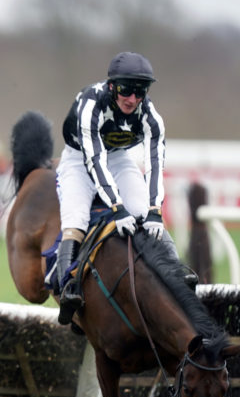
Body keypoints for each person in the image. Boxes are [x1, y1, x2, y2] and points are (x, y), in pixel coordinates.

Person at [55, 51, 196, 324]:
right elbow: (94, 161)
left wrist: (156, 210)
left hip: (118, 157)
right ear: (112, 86)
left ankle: (175, 272)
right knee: (76, 220)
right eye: (125, 90)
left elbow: (155, 164)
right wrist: (117, 208)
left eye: (140, 92)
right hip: (78, 158)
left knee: (144, 211)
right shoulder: (90, 103)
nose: (132, 99)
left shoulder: (151, 116)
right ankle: (67, 288)